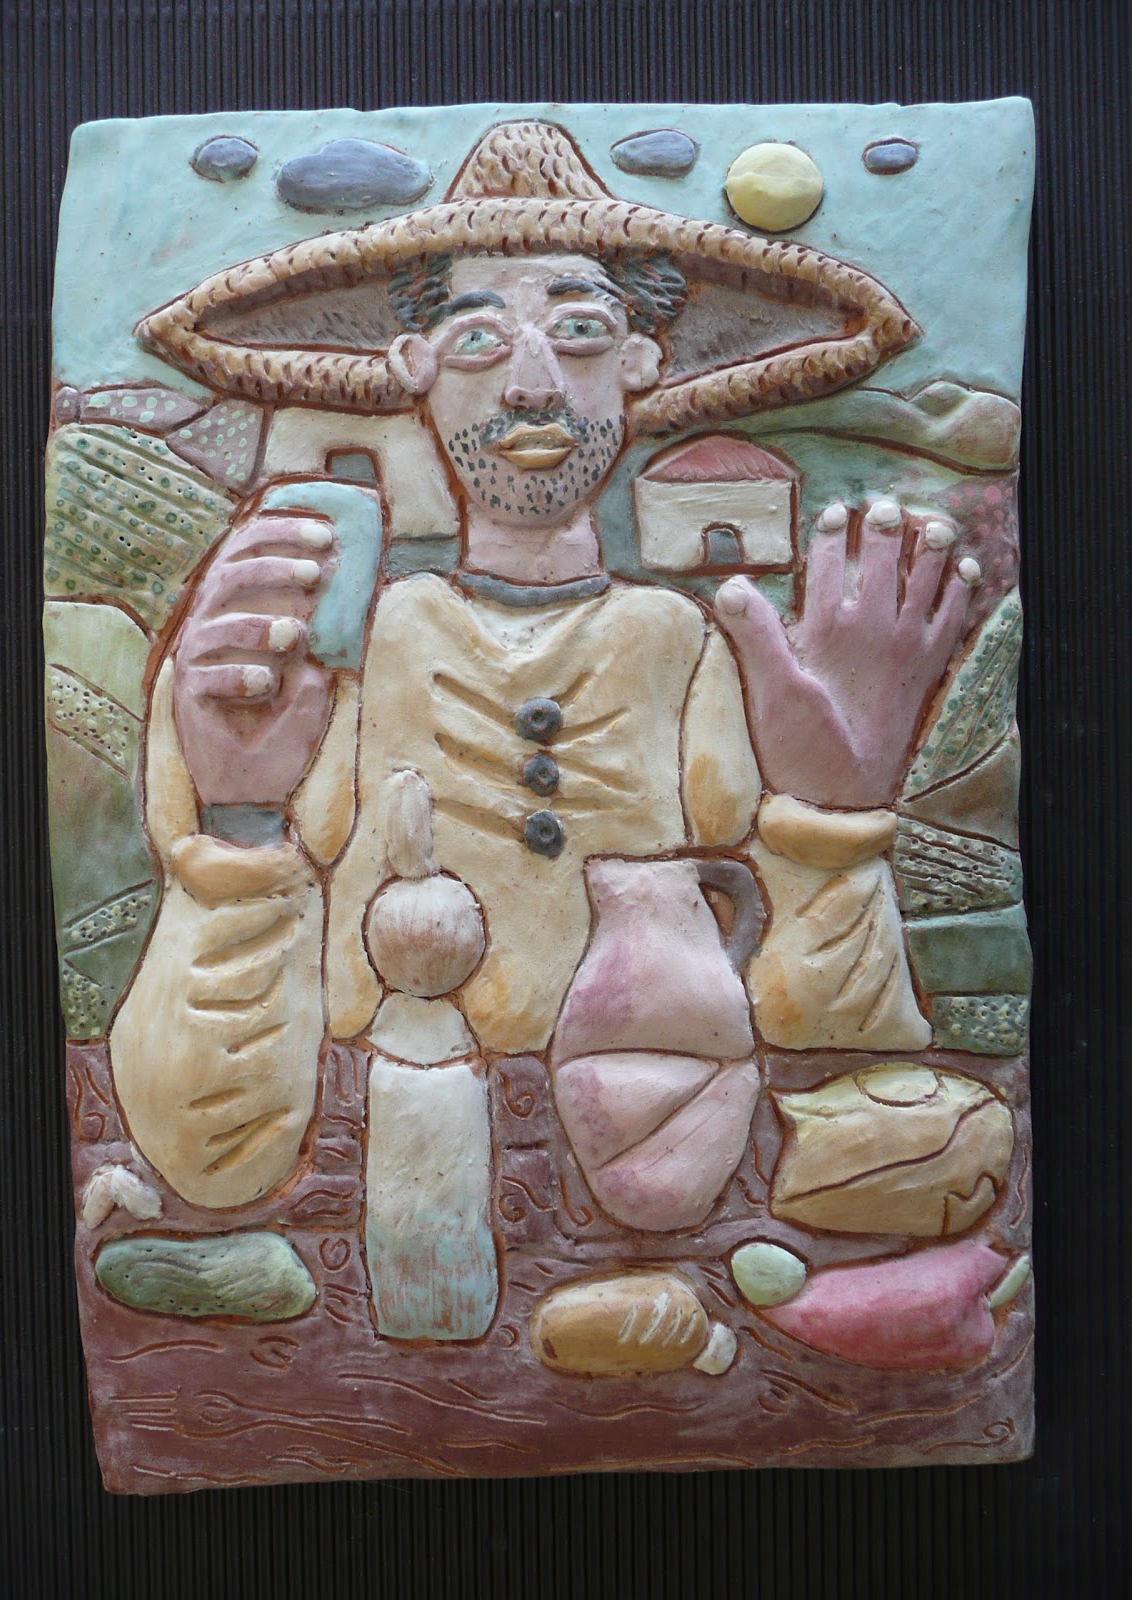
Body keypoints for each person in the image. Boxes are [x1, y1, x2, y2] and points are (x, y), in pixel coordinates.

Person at [110, 123, 977, 1365]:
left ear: (639, 362)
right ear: (412, 364)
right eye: (478, 340)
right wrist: (241, 829)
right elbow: (211, 1152)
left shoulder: (679, 643)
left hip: (662, 1204)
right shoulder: (323, 658)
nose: (528, 385)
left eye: (576, 332)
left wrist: (834, 822)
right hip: (388, 1169)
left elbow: (836, 1052)